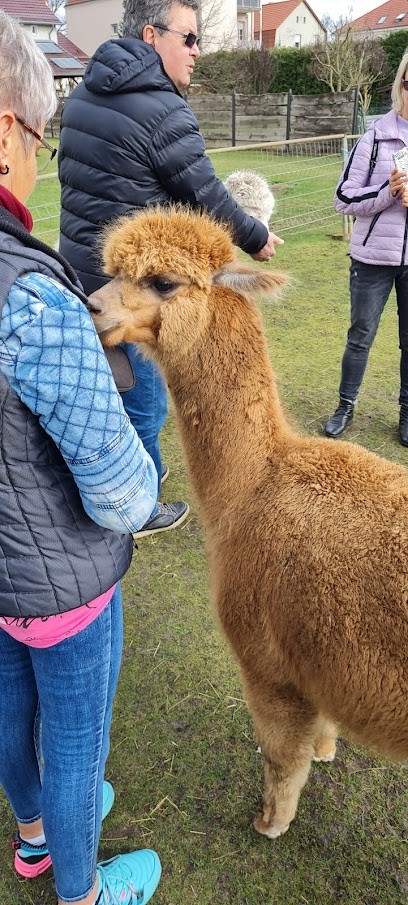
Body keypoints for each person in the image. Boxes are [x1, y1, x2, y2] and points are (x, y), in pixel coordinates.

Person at [0, 12, 162, 905]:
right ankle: (80, 891)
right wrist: (146, 473)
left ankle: (31, 842)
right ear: (4, 138)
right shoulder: (29, 294)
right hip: (63, 586)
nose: (39, 155)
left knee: (9, 709)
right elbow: (118, 491)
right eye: (37, 132)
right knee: (75, 747)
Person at [58, 0, 284, 530]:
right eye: (188, 37)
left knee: (98, 395)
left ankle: (106, 484)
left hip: (79, 271)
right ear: (151, 34)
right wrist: (255, 237)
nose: (197, 50)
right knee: (144, 402)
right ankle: (139, 503)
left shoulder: (86, 93)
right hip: (138, 285)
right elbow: (205, 190)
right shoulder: (162, 108)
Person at [325, 49, 408, 447]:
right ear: (400, 84)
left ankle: (407, 414)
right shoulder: (375, 136)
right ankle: (345, 405)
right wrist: (387, 191)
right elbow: (343, 198)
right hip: (372, 258)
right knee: (360, 335)